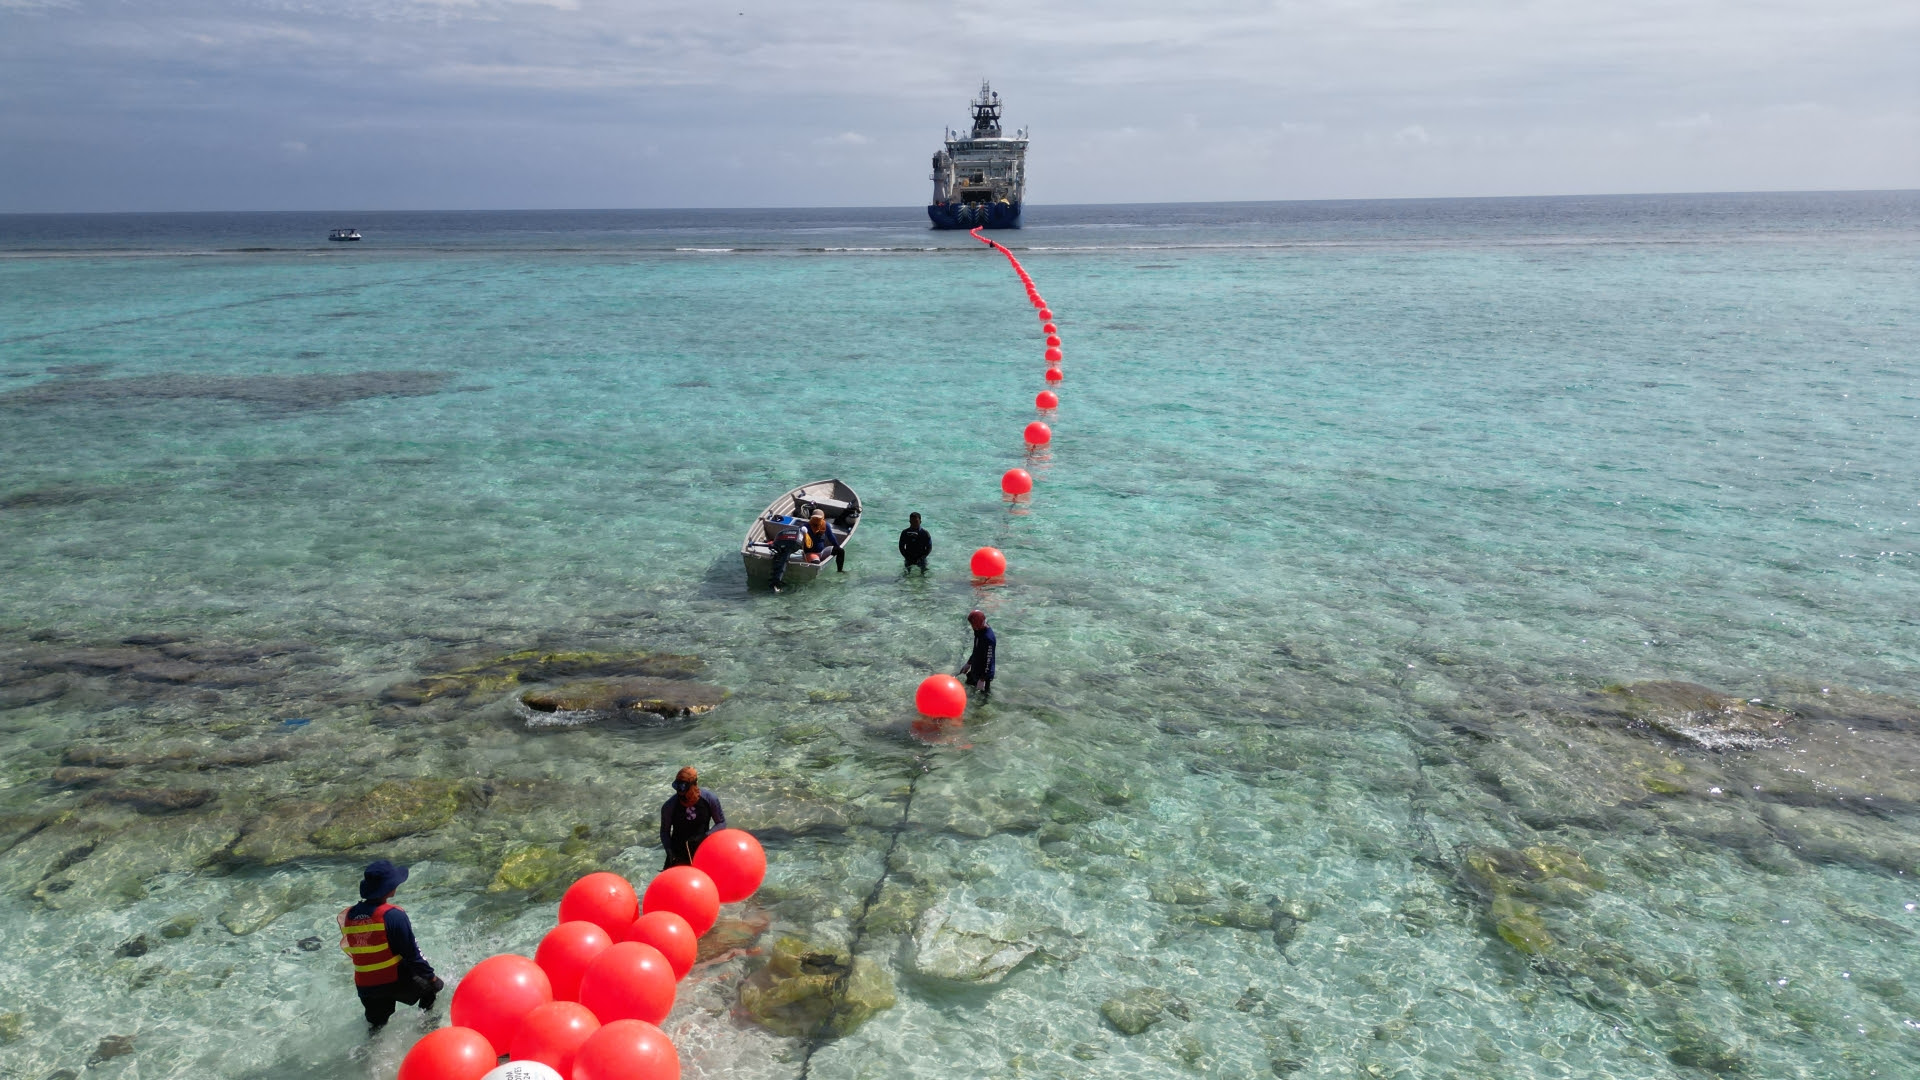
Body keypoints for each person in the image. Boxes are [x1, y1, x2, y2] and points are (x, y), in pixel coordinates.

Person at [338, 859, 441, 1032]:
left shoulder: (350, 915)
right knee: (432, 990)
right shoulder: (393, 915)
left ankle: (371, 1055)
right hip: (394, 979)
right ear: (388, 888)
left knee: (377, 1027)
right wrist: (432, 978)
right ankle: (427, 1029)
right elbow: (411, 954)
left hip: (366, 987)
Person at [660, 766, 726, 869]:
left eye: (683, 789)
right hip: (678, 854)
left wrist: (706, 836)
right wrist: (669, 851)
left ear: (694, 784)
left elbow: (721, 823)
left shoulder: (709, 799)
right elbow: (664, 831)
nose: (680, 793)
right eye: (677, 788)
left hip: (702, 851)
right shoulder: (669, 806)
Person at [957, 609, 996, 700]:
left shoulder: (988, 639)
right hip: (976, 666)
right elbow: (976, 649)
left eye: (973, 625)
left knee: (983, 697)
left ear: (979, 624)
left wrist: (982, 679)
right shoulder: (978, 631)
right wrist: (969, 663)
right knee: (967, 686)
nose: (972, 627)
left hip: (984, 673)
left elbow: (988, 661)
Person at [768, 521, 804, 593]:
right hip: (791, 544)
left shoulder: (802, 529)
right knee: (784, 557)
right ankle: (777, 581)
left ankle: (776, 581)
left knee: (783, 557)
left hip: (787, 544)